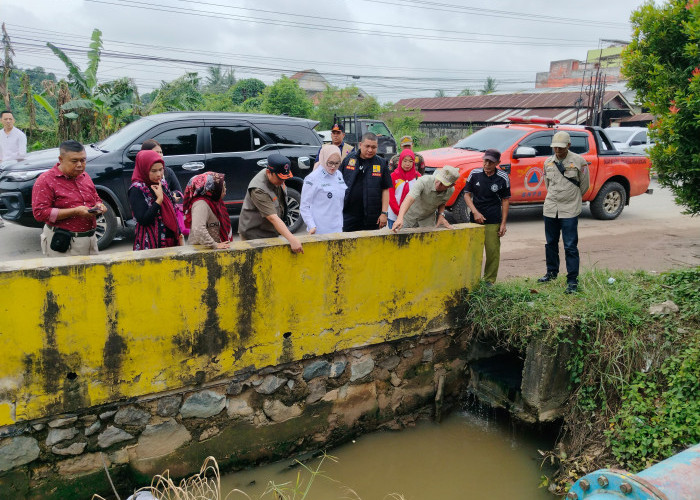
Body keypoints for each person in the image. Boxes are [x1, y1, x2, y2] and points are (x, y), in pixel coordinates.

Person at [31, 140, 106, 256]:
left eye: (83, 160)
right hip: (64, 242)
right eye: (74, 161)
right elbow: (40, 213)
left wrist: (99, 205)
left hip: (90, 240)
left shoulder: (85, 176)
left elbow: (96, 198)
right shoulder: (45, 180)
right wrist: (75, 211)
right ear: (61, 160)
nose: (80, 165)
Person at [537, 131, 590, 294]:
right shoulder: (548, 162)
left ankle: (572, 280)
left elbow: (584, 185)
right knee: (550, 243)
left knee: (570, 246)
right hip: (551, 208)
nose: (557, 151)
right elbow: (547, 184)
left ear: (568, 146)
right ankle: (551, 273)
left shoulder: (580, 162)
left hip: (569, 210)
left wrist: (572, 198)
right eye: (555, 148)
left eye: (561, 148)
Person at [238, 153, 303, 254]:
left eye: (285, 178)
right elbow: (273, 218)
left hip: (269, 231)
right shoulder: (258, 189)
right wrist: (292, 239)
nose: (283, 182)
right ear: (269, 172)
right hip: (254, 235)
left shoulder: (277, 175)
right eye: (280, 178)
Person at [464, 149, 511, 284]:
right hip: (475, 220)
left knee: (492, 252)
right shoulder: (474, 174)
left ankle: (489, 281)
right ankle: (472, 279)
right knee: (473, 251)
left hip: (493, 219)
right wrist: (475, 212)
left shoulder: (502, 177)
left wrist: (503, 223)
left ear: (498, 163)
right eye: (486, 160)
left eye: (491, 162)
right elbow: (467, 195)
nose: (487, 164)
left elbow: (505, 200)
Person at [129, 149, 183, 250]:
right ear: (144, 169)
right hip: (151, 243)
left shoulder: (161, 183)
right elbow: (144, 220)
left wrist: (178, 233)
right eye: (153, 171)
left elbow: (171, 210)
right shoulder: (137, 189)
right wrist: (159, 200)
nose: (158, 174)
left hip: (170, 239)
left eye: (161, 169)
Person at [340, 132, 392, 231]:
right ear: (360, 144)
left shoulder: (381, 163)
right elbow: (339, 184)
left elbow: (385, 189)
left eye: (373, 147)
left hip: (372, 216)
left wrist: (384, 213)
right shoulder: (349, 159)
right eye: (367, 146)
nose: (370, 150)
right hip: (349, 214)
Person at [392, 165, 459, 231]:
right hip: (409, 217)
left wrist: (441, 215)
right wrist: (399, 218)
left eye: (443, 184)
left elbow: (442, 202)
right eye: (439, 180)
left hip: (427, 220)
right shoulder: (424, 181)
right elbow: (409, 198)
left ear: (451, 185)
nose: (438, 184)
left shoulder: (450, 190)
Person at [300, 144, 347, 234]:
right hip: (319, 230)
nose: (333, 167)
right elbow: (304, 206)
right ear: (323, 159)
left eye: (337, 163)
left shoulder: (339, 175)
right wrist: (311, 225)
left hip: (337, 229)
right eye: (330, 163)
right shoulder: (313, 178)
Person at [183, 172, 232, 249]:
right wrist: (215, 245)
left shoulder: (216, 201)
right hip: (200, 253)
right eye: (222, 187)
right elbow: (198, 229)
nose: (225, 189)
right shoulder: (201, 204)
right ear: (212, 189)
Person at [388, 149, 421, 229]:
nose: (407, 164)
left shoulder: (418, 177)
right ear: (400, 161)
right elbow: (391, 198)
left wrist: (407, 214)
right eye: (405, 161)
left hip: (411, 216)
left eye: (410, 161)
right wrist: (400, 213)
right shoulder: (393, 176)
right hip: (394, 215)